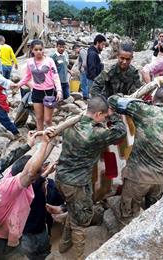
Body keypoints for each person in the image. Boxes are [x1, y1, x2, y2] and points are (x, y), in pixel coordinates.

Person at [55, 95, 127, 259]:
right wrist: (113, 114)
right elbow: (121, 132)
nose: (105, 118)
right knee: (81, 221)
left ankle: (64, 245)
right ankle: (79, 257)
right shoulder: (96, 134)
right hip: (76, 184)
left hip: (60, 177)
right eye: (104, 116)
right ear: (98, 114)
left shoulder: (70, 123)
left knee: (73, 210)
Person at [108, 87, 163, 223]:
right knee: (153, 217)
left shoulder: (143, 110)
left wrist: (124, 95)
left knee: (127, 218)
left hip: (137, 178)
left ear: (153, 99)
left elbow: (113, 100)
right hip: (158, 179)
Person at [0, 130, 54, 260]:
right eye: (37, 176)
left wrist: (51, 142)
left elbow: (33, 167)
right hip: (3, 240)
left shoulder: (16, 175)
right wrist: (44, 143)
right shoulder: (10, 187)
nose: (38, 178)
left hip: (16, 232)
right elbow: (30, 172)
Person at [18, 39, 63, 131]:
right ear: (32, 50)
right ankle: (40, 138)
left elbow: (55, 76)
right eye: (36, 49)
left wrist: (59, 90)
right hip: (36, 92)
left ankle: (52, 137)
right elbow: (27, 76)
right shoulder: (29, 62)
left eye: (40, 49)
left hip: (49, 92)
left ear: (43, 49)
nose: (38, 52)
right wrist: (18, 84)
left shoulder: (49, 61)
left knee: (48, 119)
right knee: (39, 118)